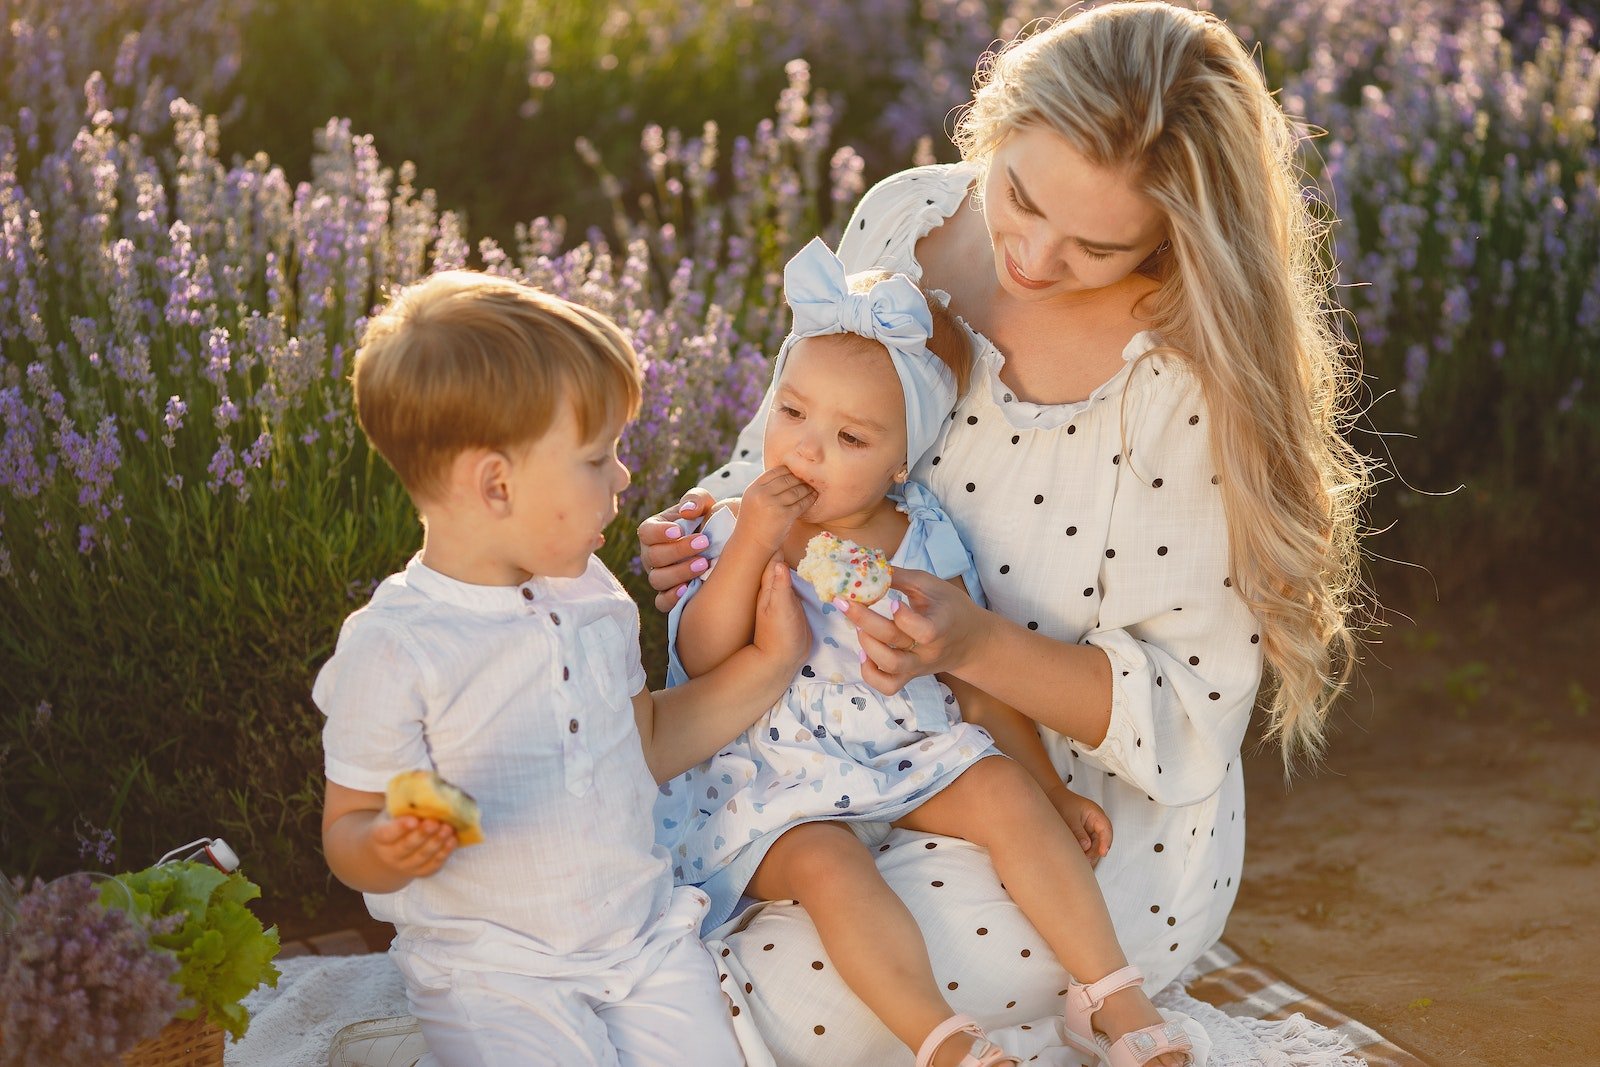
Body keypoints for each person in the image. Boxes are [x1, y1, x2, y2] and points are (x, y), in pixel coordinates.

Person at [638, 2, 1369, 1062]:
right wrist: (706, 527)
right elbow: (781, 452)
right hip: (796, 737)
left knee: (789, 991)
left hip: (1052, 793)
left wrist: (972, 645)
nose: (1028, 254)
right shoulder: (905, 223)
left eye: (1096, 245)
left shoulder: (1178, 383)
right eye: (1018, 197)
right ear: (995, 124)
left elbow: (1188, 707)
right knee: (638, 905)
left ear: (1173, 238)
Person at [658, 237, 1194, 1067]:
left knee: (1003, 793)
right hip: (775, 780)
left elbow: (974, 686)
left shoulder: (923, 538)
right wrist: (751, 541)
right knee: (830, 868)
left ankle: (1113, 995)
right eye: (791, 413)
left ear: (903, 456)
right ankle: (940, 1038)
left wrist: (1049, 786)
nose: (806, 450)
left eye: (850, 438)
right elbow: (701, 656)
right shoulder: (734, 524)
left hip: (903, 750)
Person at [315, 270, 811, 1066]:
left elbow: (640, 743)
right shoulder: (400, 645)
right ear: (496, 484)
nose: (621, 477)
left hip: (639, 942)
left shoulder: (590, 593)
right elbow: (347, 825)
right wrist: (387, 841)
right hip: (494, 971)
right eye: (597, 457)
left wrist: (772, 661)